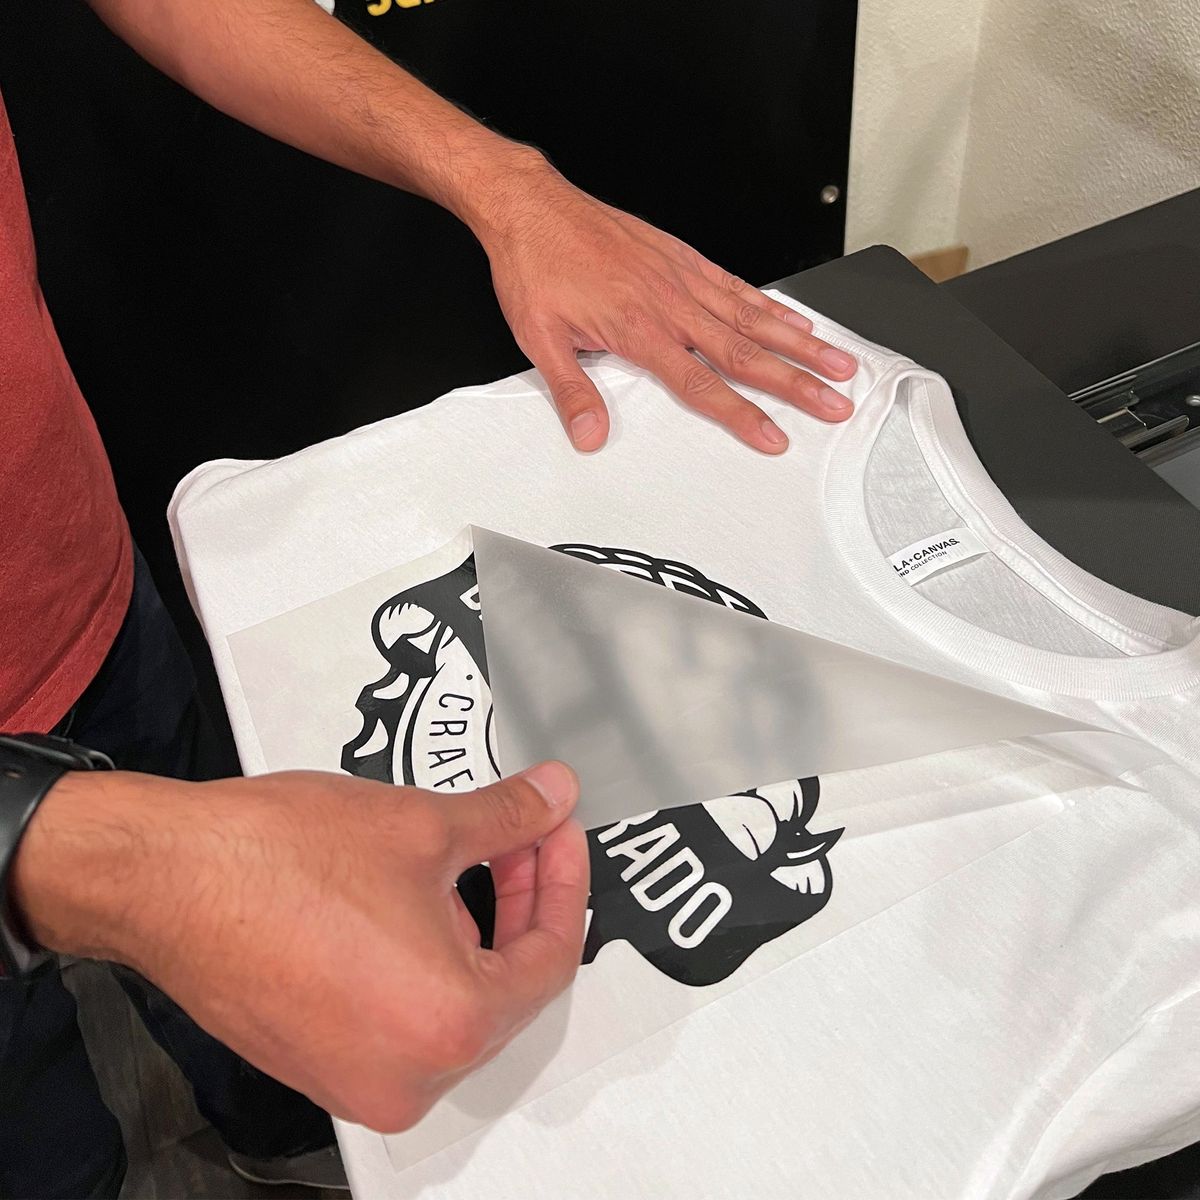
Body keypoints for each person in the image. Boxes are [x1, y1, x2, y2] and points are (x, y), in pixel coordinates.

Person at [0, 1, 859, 1196]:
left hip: (74, 574)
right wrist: (89, 861)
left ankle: (281, 1130)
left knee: (278, 984)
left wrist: (506, 184)